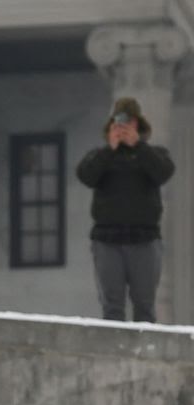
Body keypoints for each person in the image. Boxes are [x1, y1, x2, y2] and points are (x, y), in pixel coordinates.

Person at [77, 97, 176, 322]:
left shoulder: (153, 154)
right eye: (119, 123)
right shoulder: (100, 156)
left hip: (144, 240)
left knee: (145, 306)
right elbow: (86, 175)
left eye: (129, 123)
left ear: (138, 126)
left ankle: (146, 354)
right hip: (107, 241)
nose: (123, 129)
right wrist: (109, 150)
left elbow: (163, 173)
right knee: (112, 307)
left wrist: (138, 146)